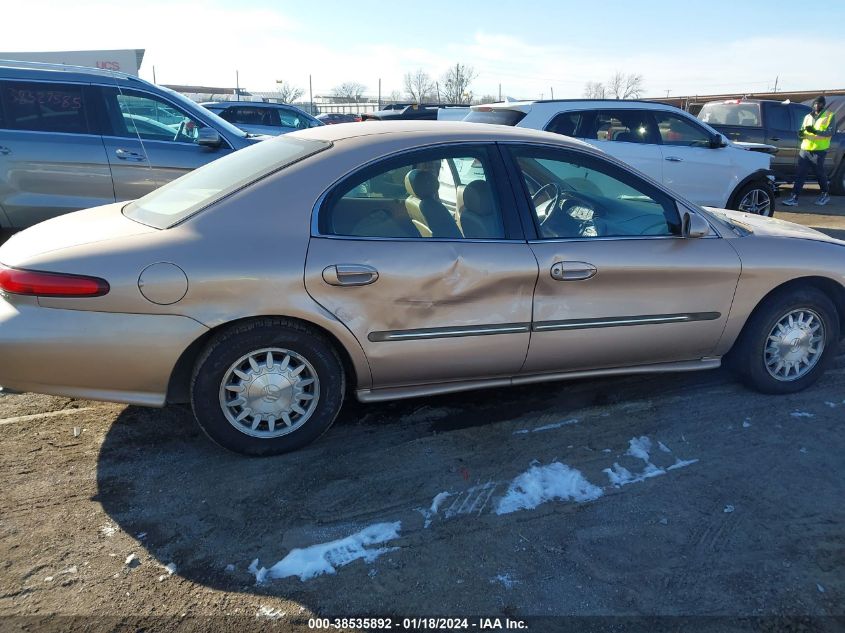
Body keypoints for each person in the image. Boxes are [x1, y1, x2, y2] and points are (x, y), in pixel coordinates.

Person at [783, 96, 836, 207]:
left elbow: (830, 132)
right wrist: (801, 134)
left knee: (819, 174)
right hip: (805, 148)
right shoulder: (808, 116)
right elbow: (801, 131)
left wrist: (815, 131)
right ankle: (794, 198)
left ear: (823, 104)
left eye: (819, 104)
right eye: (815, 104)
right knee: (800, 174)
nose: (817, 106)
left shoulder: (830, 116)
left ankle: (825, 194)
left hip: (819, 150)